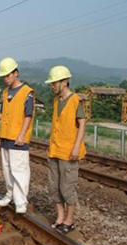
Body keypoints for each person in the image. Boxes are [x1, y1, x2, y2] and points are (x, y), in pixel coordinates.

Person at [0, 57, 34, 214]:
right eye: (4, 76)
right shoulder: (6, 92)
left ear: (16, 73)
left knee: (19, 170)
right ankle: (10, 194)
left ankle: (21, 201)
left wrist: (21, 135)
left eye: (8, 75)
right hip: (5, 136)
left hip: (18, 139)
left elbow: (28, 116)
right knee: (7, 169)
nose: (6, 79)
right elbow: (3, 114)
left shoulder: (27, 93)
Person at [45, 65, 86, 234]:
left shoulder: (75, 100)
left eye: (54, 83)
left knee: (67, 188)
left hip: (69, 152)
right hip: (55, 150)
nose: (52, 86)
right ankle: (60, 217)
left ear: (65, 82)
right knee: (54, 186)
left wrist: (76, 146)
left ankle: (70, 220)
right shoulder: (56, 101)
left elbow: (82, 124)